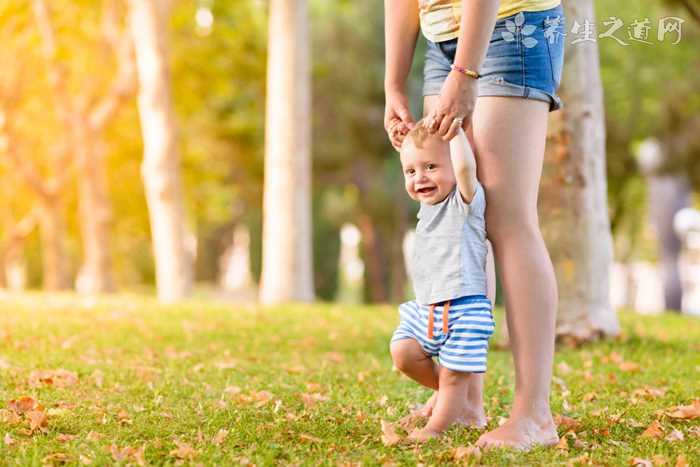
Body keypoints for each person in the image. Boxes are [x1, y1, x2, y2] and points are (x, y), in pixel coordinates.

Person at [384, 0, 566, 450]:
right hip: (441, 37)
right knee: (459, 217)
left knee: (507, 217)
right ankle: (464, 402)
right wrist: (392, 83)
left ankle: (534, 415)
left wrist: (465, 72)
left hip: (511, 24)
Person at [390, 120, 495, 441]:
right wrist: (408, 139)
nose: (419, 177)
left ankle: (436, 427)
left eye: (431, 166)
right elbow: (416, 158)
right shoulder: (425, 209)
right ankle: (455, 398)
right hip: (426, 309)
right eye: (410, 171)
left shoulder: (464, 203)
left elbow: (464, 167)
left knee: (452, 377)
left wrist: (455, 133)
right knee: (403, 352)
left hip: (464, 309)